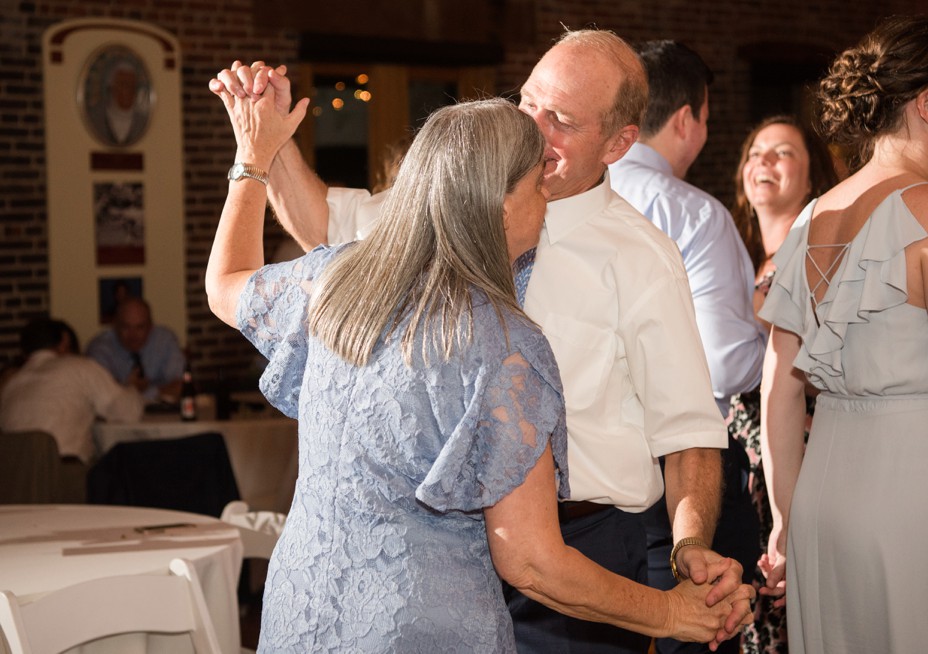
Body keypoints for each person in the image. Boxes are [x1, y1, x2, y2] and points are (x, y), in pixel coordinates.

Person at [211, 28, 752, 654]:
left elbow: (686, 434)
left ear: (619, 142)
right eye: (528, 103)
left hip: (576, 551)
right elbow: (320, 224)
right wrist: (268, 148)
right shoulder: (471, 275)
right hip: (452, 578)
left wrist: (688, 549)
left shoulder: (642, 258)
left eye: (561, 120)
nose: (532, 127)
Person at [758, 15, 928, 653]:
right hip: (921, 493)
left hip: (826, 498)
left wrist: (784, 519)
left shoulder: (810, 216)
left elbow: (779, 390)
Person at [608, 41, 766, 654]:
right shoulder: (695, 214)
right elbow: (725, 363)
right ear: (687, 119)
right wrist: (770, 335)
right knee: (701, 631)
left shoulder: (568, 202)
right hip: (688, 466)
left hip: (600, 472)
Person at [726, 115, 838, 654]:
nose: (764, 161)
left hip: (799, 450)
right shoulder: (743, 257)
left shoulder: (818, 254)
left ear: (813, 178)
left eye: (783, 152)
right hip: (746, 457)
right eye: (756, 151)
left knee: (798, 599)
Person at [0, 317, 143, 498]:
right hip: (62, 479)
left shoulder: (11, 383)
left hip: (11, 482)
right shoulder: (79, 367)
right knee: (125, 476)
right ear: (65, 340)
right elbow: (128, 412)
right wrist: (132, 388)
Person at [86, 296, 185, 403]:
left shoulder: (165, 340)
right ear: (114, 325)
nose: (133, 335)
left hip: (164, 414)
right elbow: (97, 394)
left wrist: (140, 392)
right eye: (126, 327)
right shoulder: (100, 348)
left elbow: (182, 384)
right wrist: (131, 389)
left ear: (151, 326)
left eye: (140, 327)